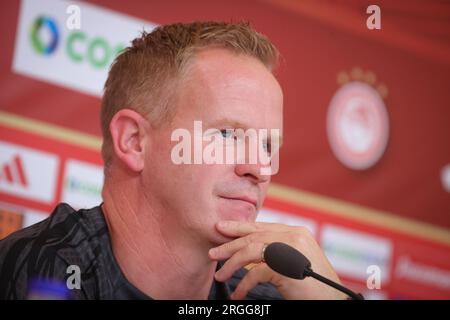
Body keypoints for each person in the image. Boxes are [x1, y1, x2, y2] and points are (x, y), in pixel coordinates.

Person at [0, 21, 345, 300]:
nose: (260, 168)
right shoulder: (41, 272)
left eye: (269, 144)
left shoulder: (271, 294)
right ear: (134, 141)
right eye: (227, 135)